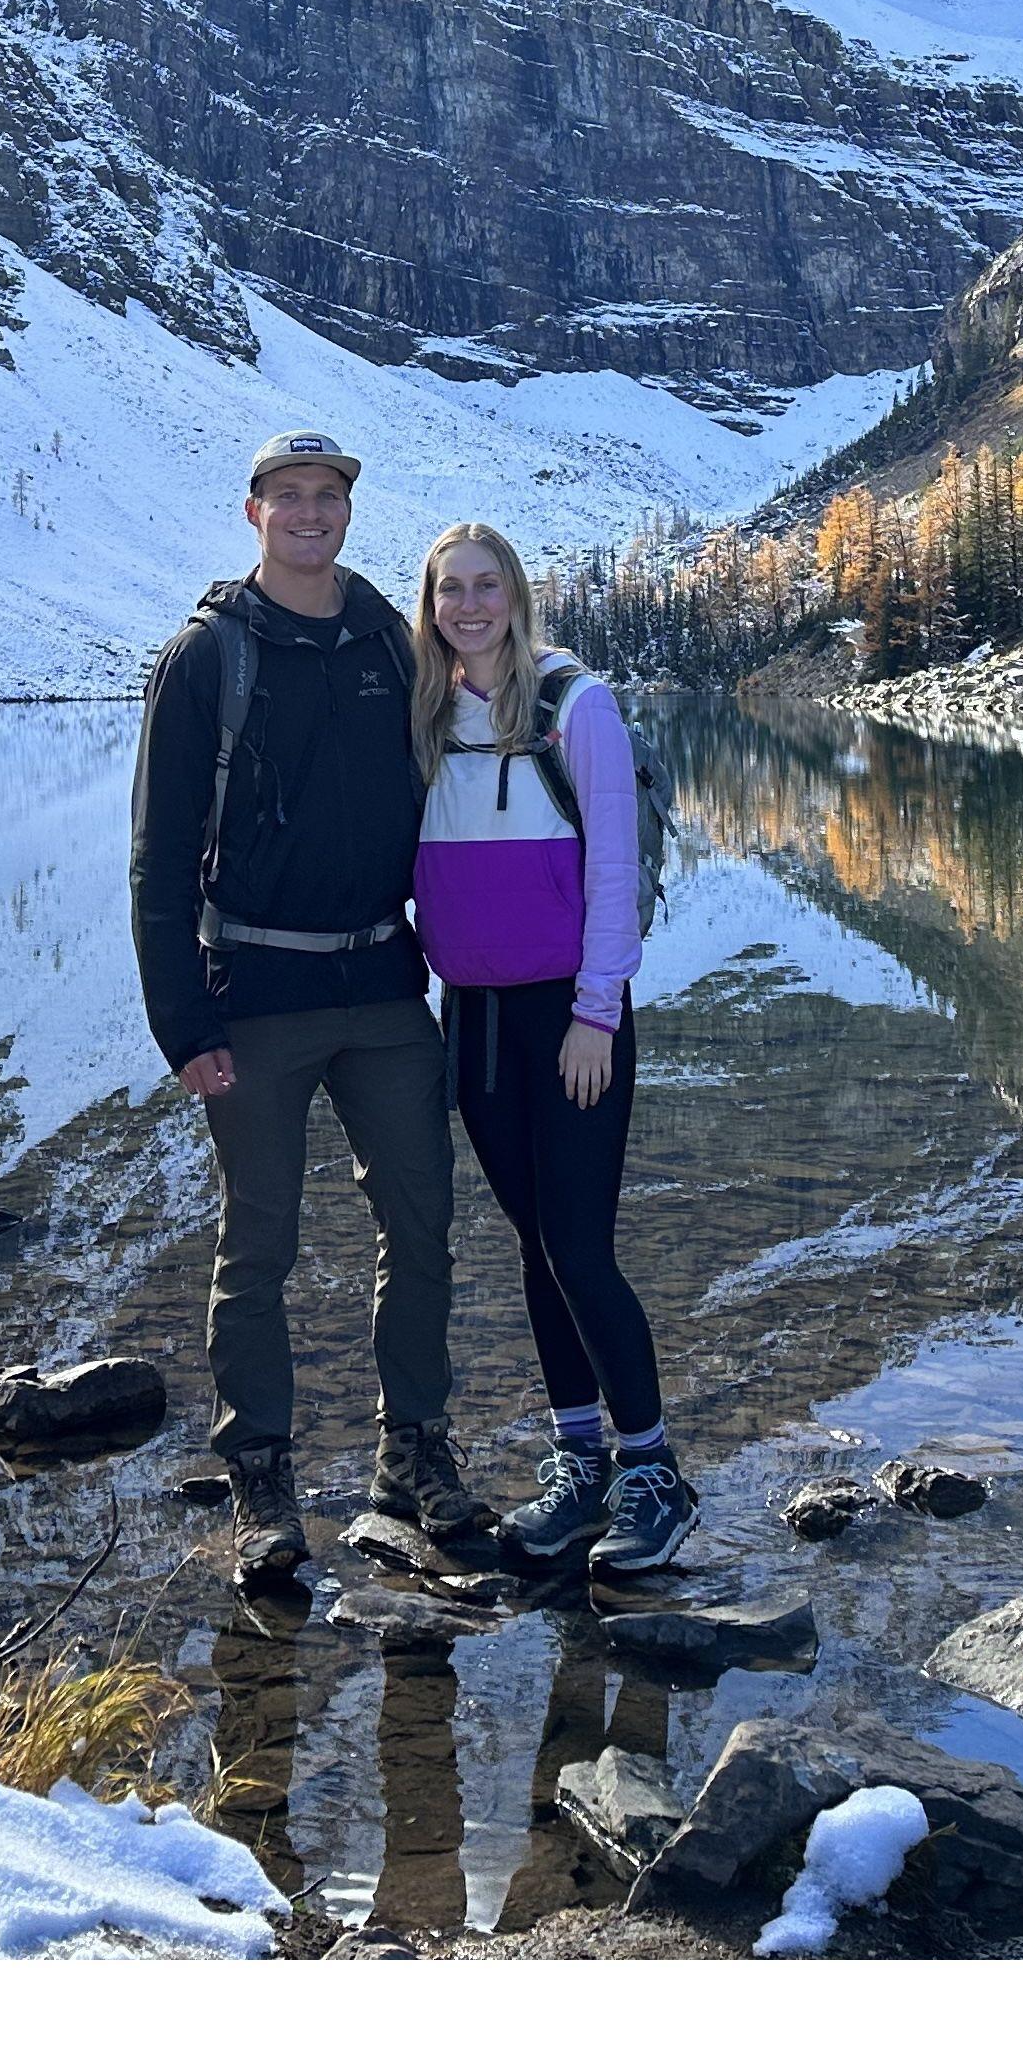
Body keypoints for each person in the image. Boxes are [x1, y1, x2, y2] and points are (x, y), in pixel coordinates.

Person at [129, 431, 491, 1590]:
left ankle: (414, 1451)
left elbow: (476, 763)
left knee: (423, 1223)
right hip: (257, 999)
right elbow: (157, 859)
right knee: (260, 1245)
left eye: (326, 497)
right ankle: (262, 1476)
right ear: (253, 513)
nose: (308, 514)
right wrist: (183, 1028)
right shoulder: (206, 658)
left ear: (347, 511)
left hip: (387, 986)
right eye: (287, 496)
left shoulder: (394, 637)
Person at [407, 519, 695, 1576]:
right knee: (533, 1247)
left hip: (570, 1021)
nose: (469, 606)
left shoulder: (579, 708)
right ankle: (580, 1462)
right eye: (450, 591)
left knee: (580, 1248)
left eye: (487, 586)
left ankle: (655, 1474)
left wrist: (597, 1012)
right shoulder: (431, 714)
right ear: (430, 605)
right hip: (473, 1019)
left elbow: (613, 872)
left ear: (518, 598)